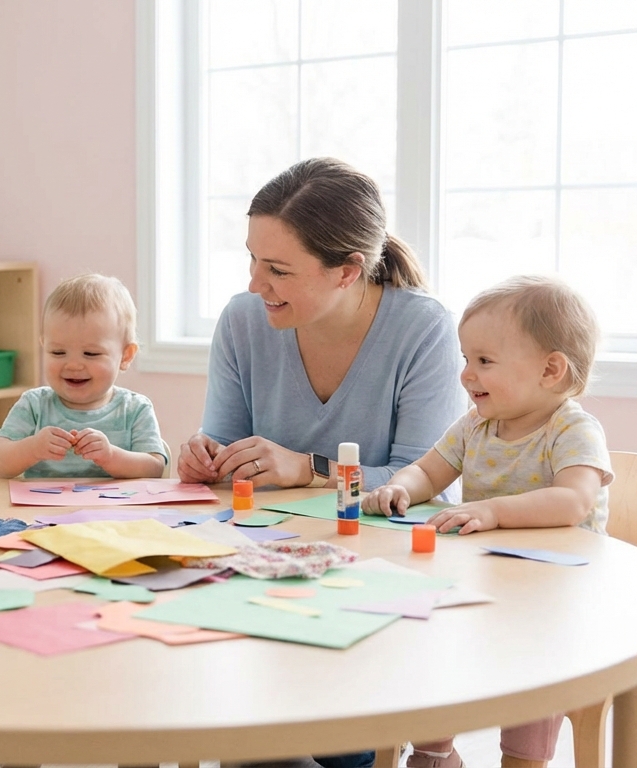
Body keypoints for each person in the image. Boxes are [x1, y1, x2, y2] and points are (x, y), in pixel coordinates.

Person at [177, 158, 467, 768]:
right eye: (252, 259)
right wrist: (205, 456)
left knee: (335, 741)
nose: (257, 284)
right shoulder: (242, 320)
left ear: (347, 271)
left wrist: (307, 467)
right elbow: (225, 447)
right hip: (267, 559)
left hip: (379, 565)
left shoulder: (423, 329)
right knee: (245, 734)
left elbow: (423, 478)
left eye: (278, 269)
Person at [362, 275, 614, 768]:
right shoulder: (476, 425)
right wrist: (402, 487)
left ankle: (523, 759)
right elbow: (428, 470)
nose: (466, 375)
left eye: (484, 361)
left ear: (551, 370)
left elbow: (574, 500)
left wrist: (493, 510)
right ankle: (434, 751)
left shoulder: (573, 428)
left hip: (556, 598)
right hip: (489, 583)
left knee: (535, 666)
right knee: (430, 632)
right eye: (465, 359)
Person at [0, 272, 169, 479]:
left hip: (115, 511)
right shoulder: (34, 405)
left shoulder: (135, 409)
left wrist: (110, 456)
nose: (73, 365)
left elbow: (155, 468)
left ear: (125, 356)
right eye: (58, 352)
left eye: (90, 354)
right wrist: (31, 448)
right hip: (40, 511)